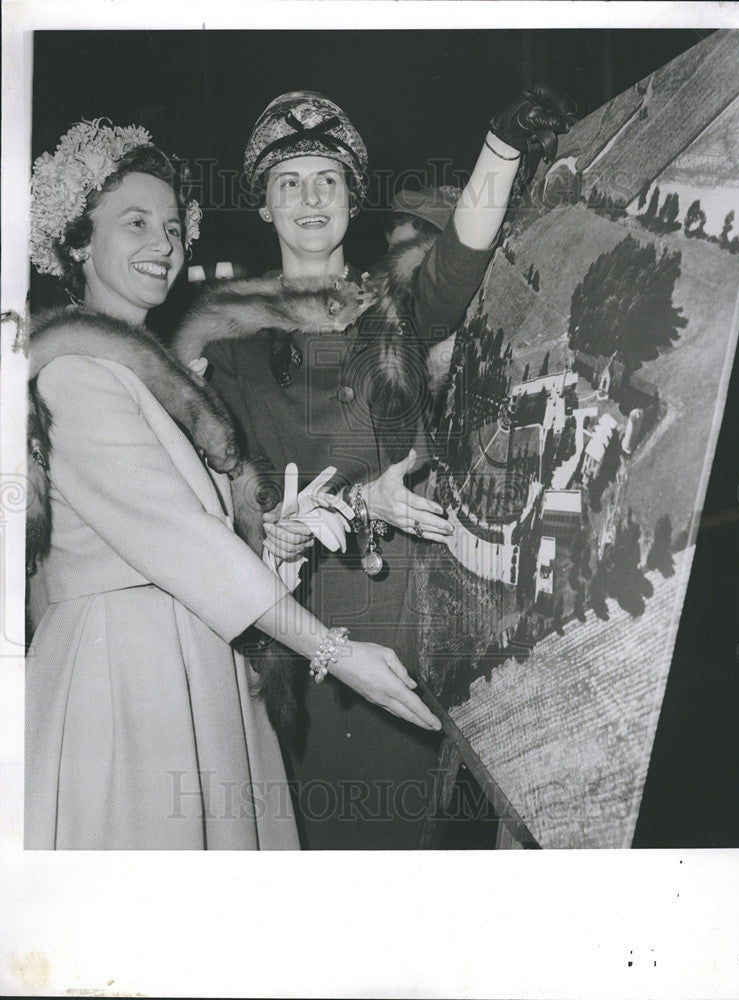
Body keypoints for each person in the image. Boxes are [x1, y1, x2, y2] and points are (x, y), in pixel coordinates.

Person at [24, 118, 439, 851]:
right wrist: (336, 653)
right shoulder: (74, 374)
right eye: (135, 224)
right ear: (78, 245)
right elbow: (186, 546)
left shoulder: (157, 380)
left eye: (173, 226)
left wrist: (290, 532)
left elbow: (210, 541)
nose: (164, 244)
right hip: (126, 680)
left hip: (193, 653)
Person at [179, 88, 574, 849]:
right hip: (322, 625)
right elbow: (227, 521)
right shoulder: (224, 344)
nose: (309, 198)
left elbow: (461, 257)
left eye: (327, 179)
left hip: (433, 602)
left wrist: (499, 145)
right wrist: (358, 504)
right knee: (340, 840)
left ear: (351, 197)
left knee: (435, 845)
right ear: (261, 204)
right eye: (287, 182)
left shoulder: (392, 304)